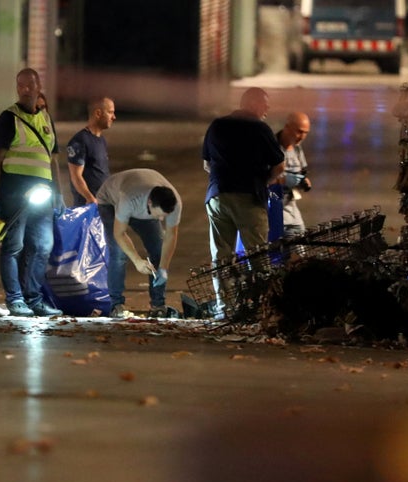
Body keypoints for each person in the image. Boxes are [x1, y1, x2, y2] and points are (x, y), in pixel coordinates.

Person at [0, 68, 65, 317]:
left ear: (39, 85)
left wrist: (59, 194)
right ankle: (15, 299)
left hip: (43, 194)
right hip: (14, 194)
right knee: (14, 246)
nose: (27, 89)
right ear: (17, 88)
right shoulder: (7, 119)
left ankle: (34, 298)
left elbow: (53, 162)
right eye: (22, 85)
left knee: (43, 245)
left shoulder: (46, 120)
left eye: (31, 84)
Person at [202, 87, 285, 317]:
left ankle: (224, 308)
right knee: (257, 255)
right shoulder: (259, 128)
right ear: (253, 104)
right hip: (248, 197)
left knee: (221, 256)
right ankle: (263, 307)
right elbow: (279, 166)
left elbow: (207, 164)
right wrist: (264, 182)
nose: (267, 108)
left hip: (217, 196)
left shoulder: (217, 125)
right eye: (264, 104)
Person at [95, 168, 182, 319]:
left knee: (158, 249)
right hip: (110, 200)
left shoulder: (174, 204)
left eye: (165, 216)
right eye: (159, 215)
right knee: (119, 253)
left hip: (142, 203)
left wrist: (163, 268)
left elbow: (171, 236)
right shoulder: (129, 199)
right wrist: (137, 261)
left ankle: (158, 305)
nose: (161, 220)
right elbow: (119, 233)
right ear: (150, 203)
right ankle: (116, 305)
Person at [66, 97, 116, 206]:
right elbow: (76, 175)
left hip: (103, 203)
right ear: (98, 113)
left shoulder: (101, 140)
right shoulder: (79, 141)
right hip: (88, 206)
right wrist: (89, 198)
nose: (114, 117)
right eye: (110, 112)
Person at [276, 111, 312, 239]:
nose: (302, 137)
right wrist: (284, 179)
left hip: (291, 209)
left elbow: (302, 171)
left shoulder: (297, 149)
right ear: (287, 127)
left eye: (305, 133)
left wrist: (303, 182)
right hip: (274, 209)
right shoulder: (273, 148)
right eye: (299, 131)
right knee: (275, 255)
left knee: (300, 247)